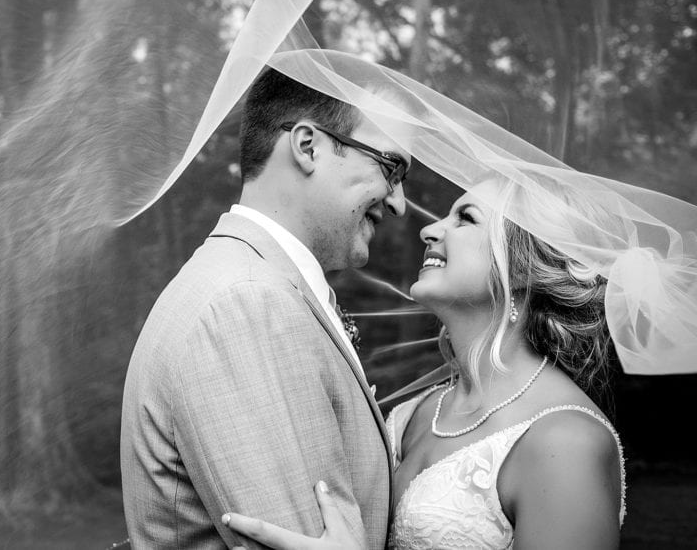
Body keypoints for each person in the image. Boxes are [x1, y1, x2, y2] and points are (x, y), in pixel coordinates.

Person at [223, 173, 627, 549]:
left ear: (522, 266)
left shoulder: (566, 442)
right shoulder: (417, 413)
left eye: (465, 219)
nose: (429, 229)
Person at [119, 65, 411, 549]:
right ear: (308, 146)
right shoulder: (248, 304)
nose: (400, 202)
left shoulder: (254, 283)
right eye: (391, 167)